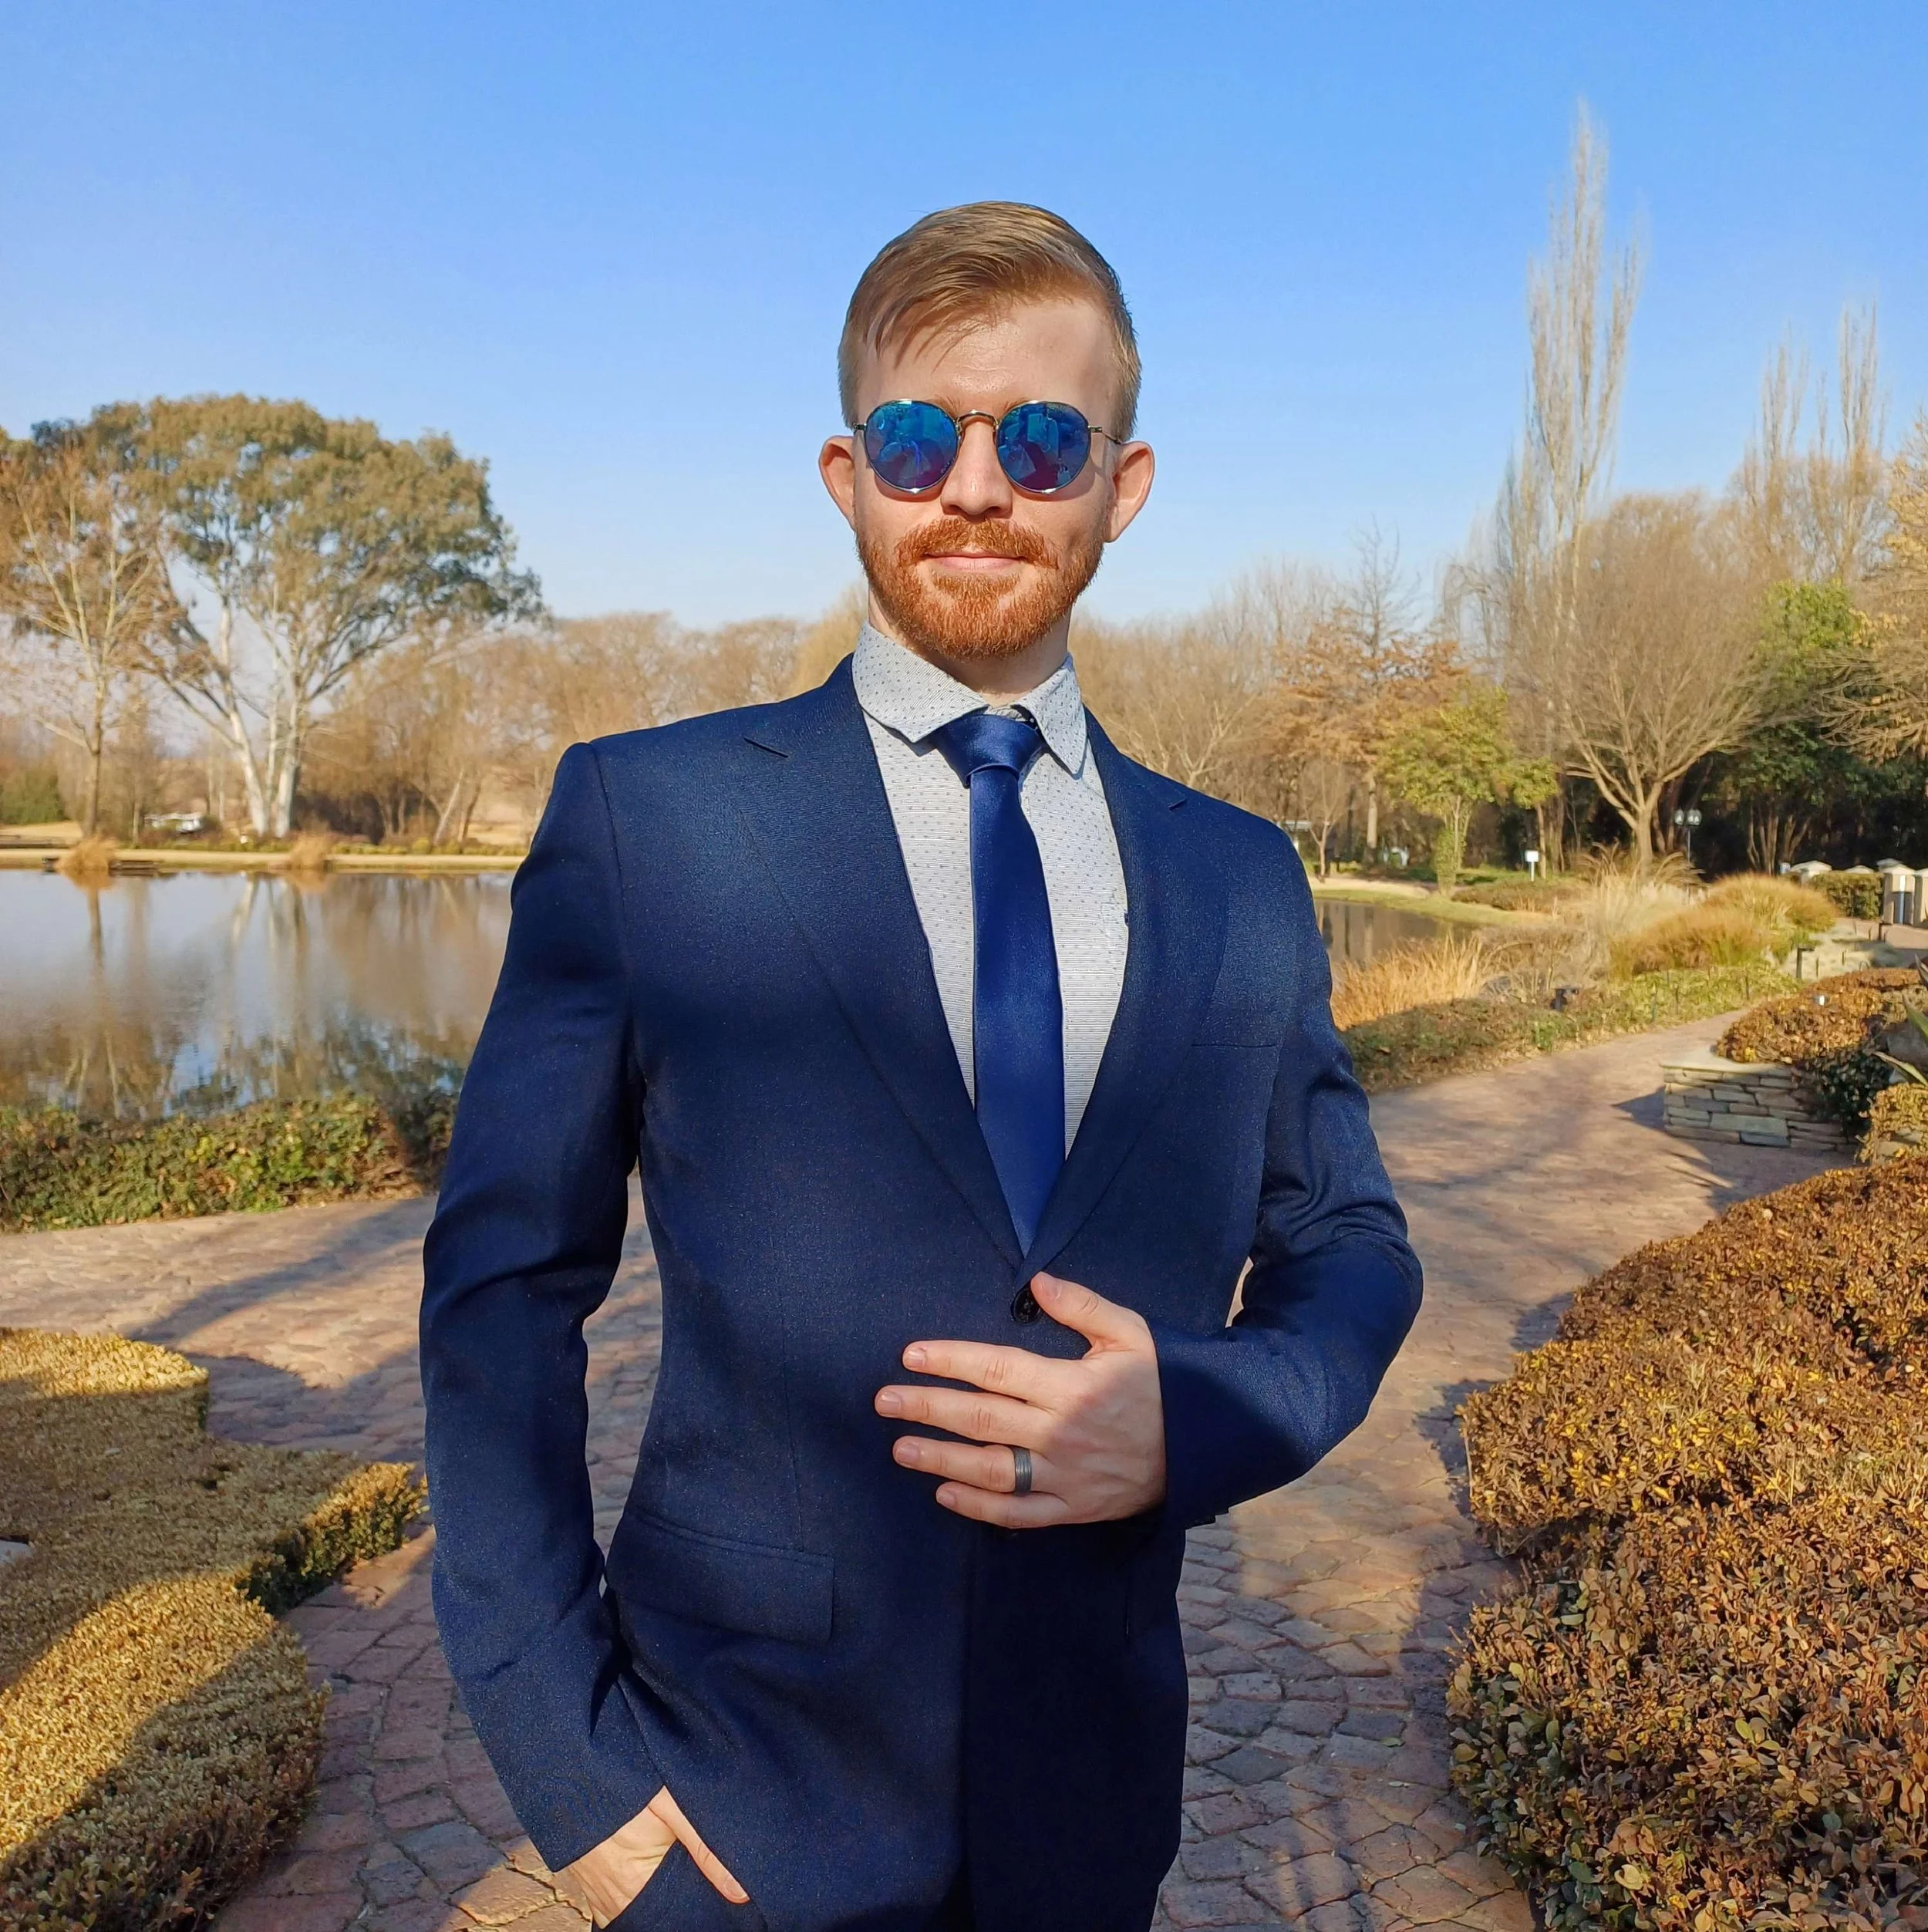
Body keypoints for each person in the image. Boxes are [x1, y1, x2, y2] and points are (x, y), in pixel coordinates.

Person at [420, 201, 1421, 1932]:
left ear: (1122, 481)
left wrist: (1200, 1416)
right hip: (730, 1802)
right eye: (915, 437)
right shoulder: (648, 822)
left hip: (1090, 1793)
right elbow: (501, 1294)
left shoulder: (1241, 879)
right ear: (844, 472)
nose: (973, 486)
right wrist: (569, 1767)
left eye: (1037, 439)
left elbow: (1347, 1244)